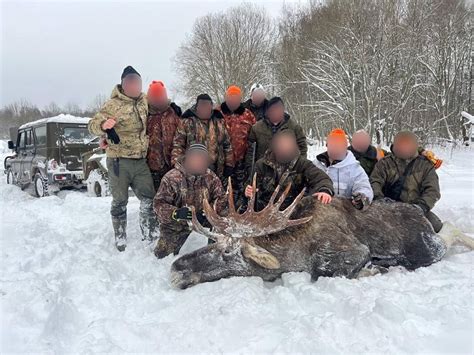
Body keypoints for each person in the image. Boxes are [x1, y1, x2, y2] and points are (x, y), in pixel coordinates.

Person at [88, 66, 158, 251]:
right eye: (131, 82)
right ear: (124, 84)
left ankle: (149, 233)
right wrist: (104, 125)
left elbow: (159, 105)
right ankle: (120, 235)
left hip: (140, 160)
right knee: (120, 201)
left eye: (138, 82)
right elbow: (92, 125)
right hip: (119, 161)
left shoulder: (144, 100)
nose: (135, 86)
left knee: (148, 197)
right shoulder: (113, 104)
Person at [153, 144, 226, 258]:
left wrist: (207, 211)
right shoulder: (171, 178)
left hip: (203, 222)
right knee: (162, 257)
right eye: (195, 158)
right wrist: (176, 213)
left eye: (202, 159)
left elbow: (221, 198)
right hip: (177, 225)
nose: (199, 162)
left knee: (218, 249)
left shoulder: (211, 177)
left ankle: (214, 252)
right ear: (187, 158)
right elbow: (158, 204)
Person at [370, 131, 442, 232]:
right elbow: (375, 182)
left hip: (416, 209)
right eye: (400, 144)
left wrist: (421, 207)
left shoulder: (426, 165)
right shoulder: (384, 163)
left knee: (437, 229)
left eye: (407, 144)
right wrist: (380, 202)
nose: (404, 148)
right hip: (388, 209)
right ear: (394, 145)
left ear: (415, 145)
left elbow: (432, 191)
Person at [244, 130, 334, 211]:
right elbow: (250, 185)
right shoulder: (261, 165)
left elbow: (322, 179)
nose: (284, 149)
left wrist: (324, 190)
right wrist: (247, 190)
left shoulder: (302, 164)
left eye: (288, 145)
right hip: (263, 213)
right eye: (281, 145)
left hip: (292, 214)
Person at [171, 94, 234, 182]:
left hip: (217, 170)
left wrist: (229, 165)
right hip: (193, 170)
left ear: (211, 106)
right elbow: (178, 145)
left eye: (207, 106)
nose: (205, 109)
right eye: (202, 105)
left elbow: (227, 145)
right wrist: (177, 165)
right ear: (197, 107)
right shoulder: (187, 122)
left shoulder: (219, 121)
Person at [314, 129, 373, 210]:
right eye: (333, 145)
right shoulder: (316, 165)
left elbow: (364, 186)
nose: (336, 149)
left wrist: (362, 198)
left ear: (346, 147)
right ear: (327, 145)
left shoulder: (354, 168)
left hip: (344, 212)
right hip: (318, 209)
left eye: (339, 146)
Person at [245, 96, 307, 174]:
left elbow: (303, 149)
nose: (276, 112)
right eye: (273, 110)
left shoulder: (294, 128)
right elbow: (250, 152)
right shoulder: (256, 128)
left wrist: (299, 168)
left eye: (279, 109)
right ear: (268, 111)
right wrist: (251, 170)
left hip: (287, 172)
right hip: (263, 171)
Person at [219, 85, 256, 200]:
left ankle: (240, 212)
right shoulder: (217, 113)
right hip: (222, 162)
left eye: (236, 97)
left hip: (242, 162)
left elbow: (255, 134)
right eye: (231, 97)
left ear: (240, 99)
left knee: (242, 191)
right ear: (226, 97)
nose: (233, 100)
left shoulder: (248, 114)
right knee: (223, 192)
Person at [146, 80, 182, 191]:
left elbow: (183, 136)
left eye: (160, 96)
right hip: (151, 167)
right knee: (154, 198)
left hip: (172, 165)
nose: (158, 99)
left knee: (175, 195)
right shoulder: (144, 114)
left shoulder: (174, 113)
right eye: (154, 96)